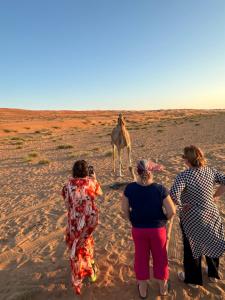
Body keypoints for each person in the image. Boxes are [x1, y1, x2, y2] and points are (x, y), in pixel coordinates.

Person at [170, 145, 225, 288]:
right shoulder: (211, 171)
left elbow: (174, 195)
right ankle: (213, 274)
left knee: (192, 247)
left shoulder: (184, 175)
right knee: (212, 240)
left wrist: (182, 205)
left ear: (187, 160)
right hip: (211, 213)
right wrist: (215, 196)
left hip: (192, 218)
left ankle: (193, 280)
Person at [122, 159, 176, 298]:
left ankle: (143, 289)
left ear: (137, 172)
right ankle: (163, 287)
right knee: (160, 257)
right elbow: (172, 211)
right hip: (158, 230)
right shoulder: (160, 189)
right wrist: (165, 219)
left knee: (141, 257)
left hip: (139, 230)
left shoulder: (130, 188)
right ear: (151, 172)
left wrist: (131, 220)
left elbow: (124, 210)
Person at [62, 160, 102, 295]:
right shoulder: (91, 182)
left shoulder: (67, 186)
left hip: (75, 221)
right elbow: (98, 193)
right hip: (90, 219)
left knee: (78, 244)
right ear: (86, 172)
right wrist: (94, 178)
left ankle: (85, 269)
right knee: (85, 241)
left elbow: (67, 205)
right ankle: (90, 269)